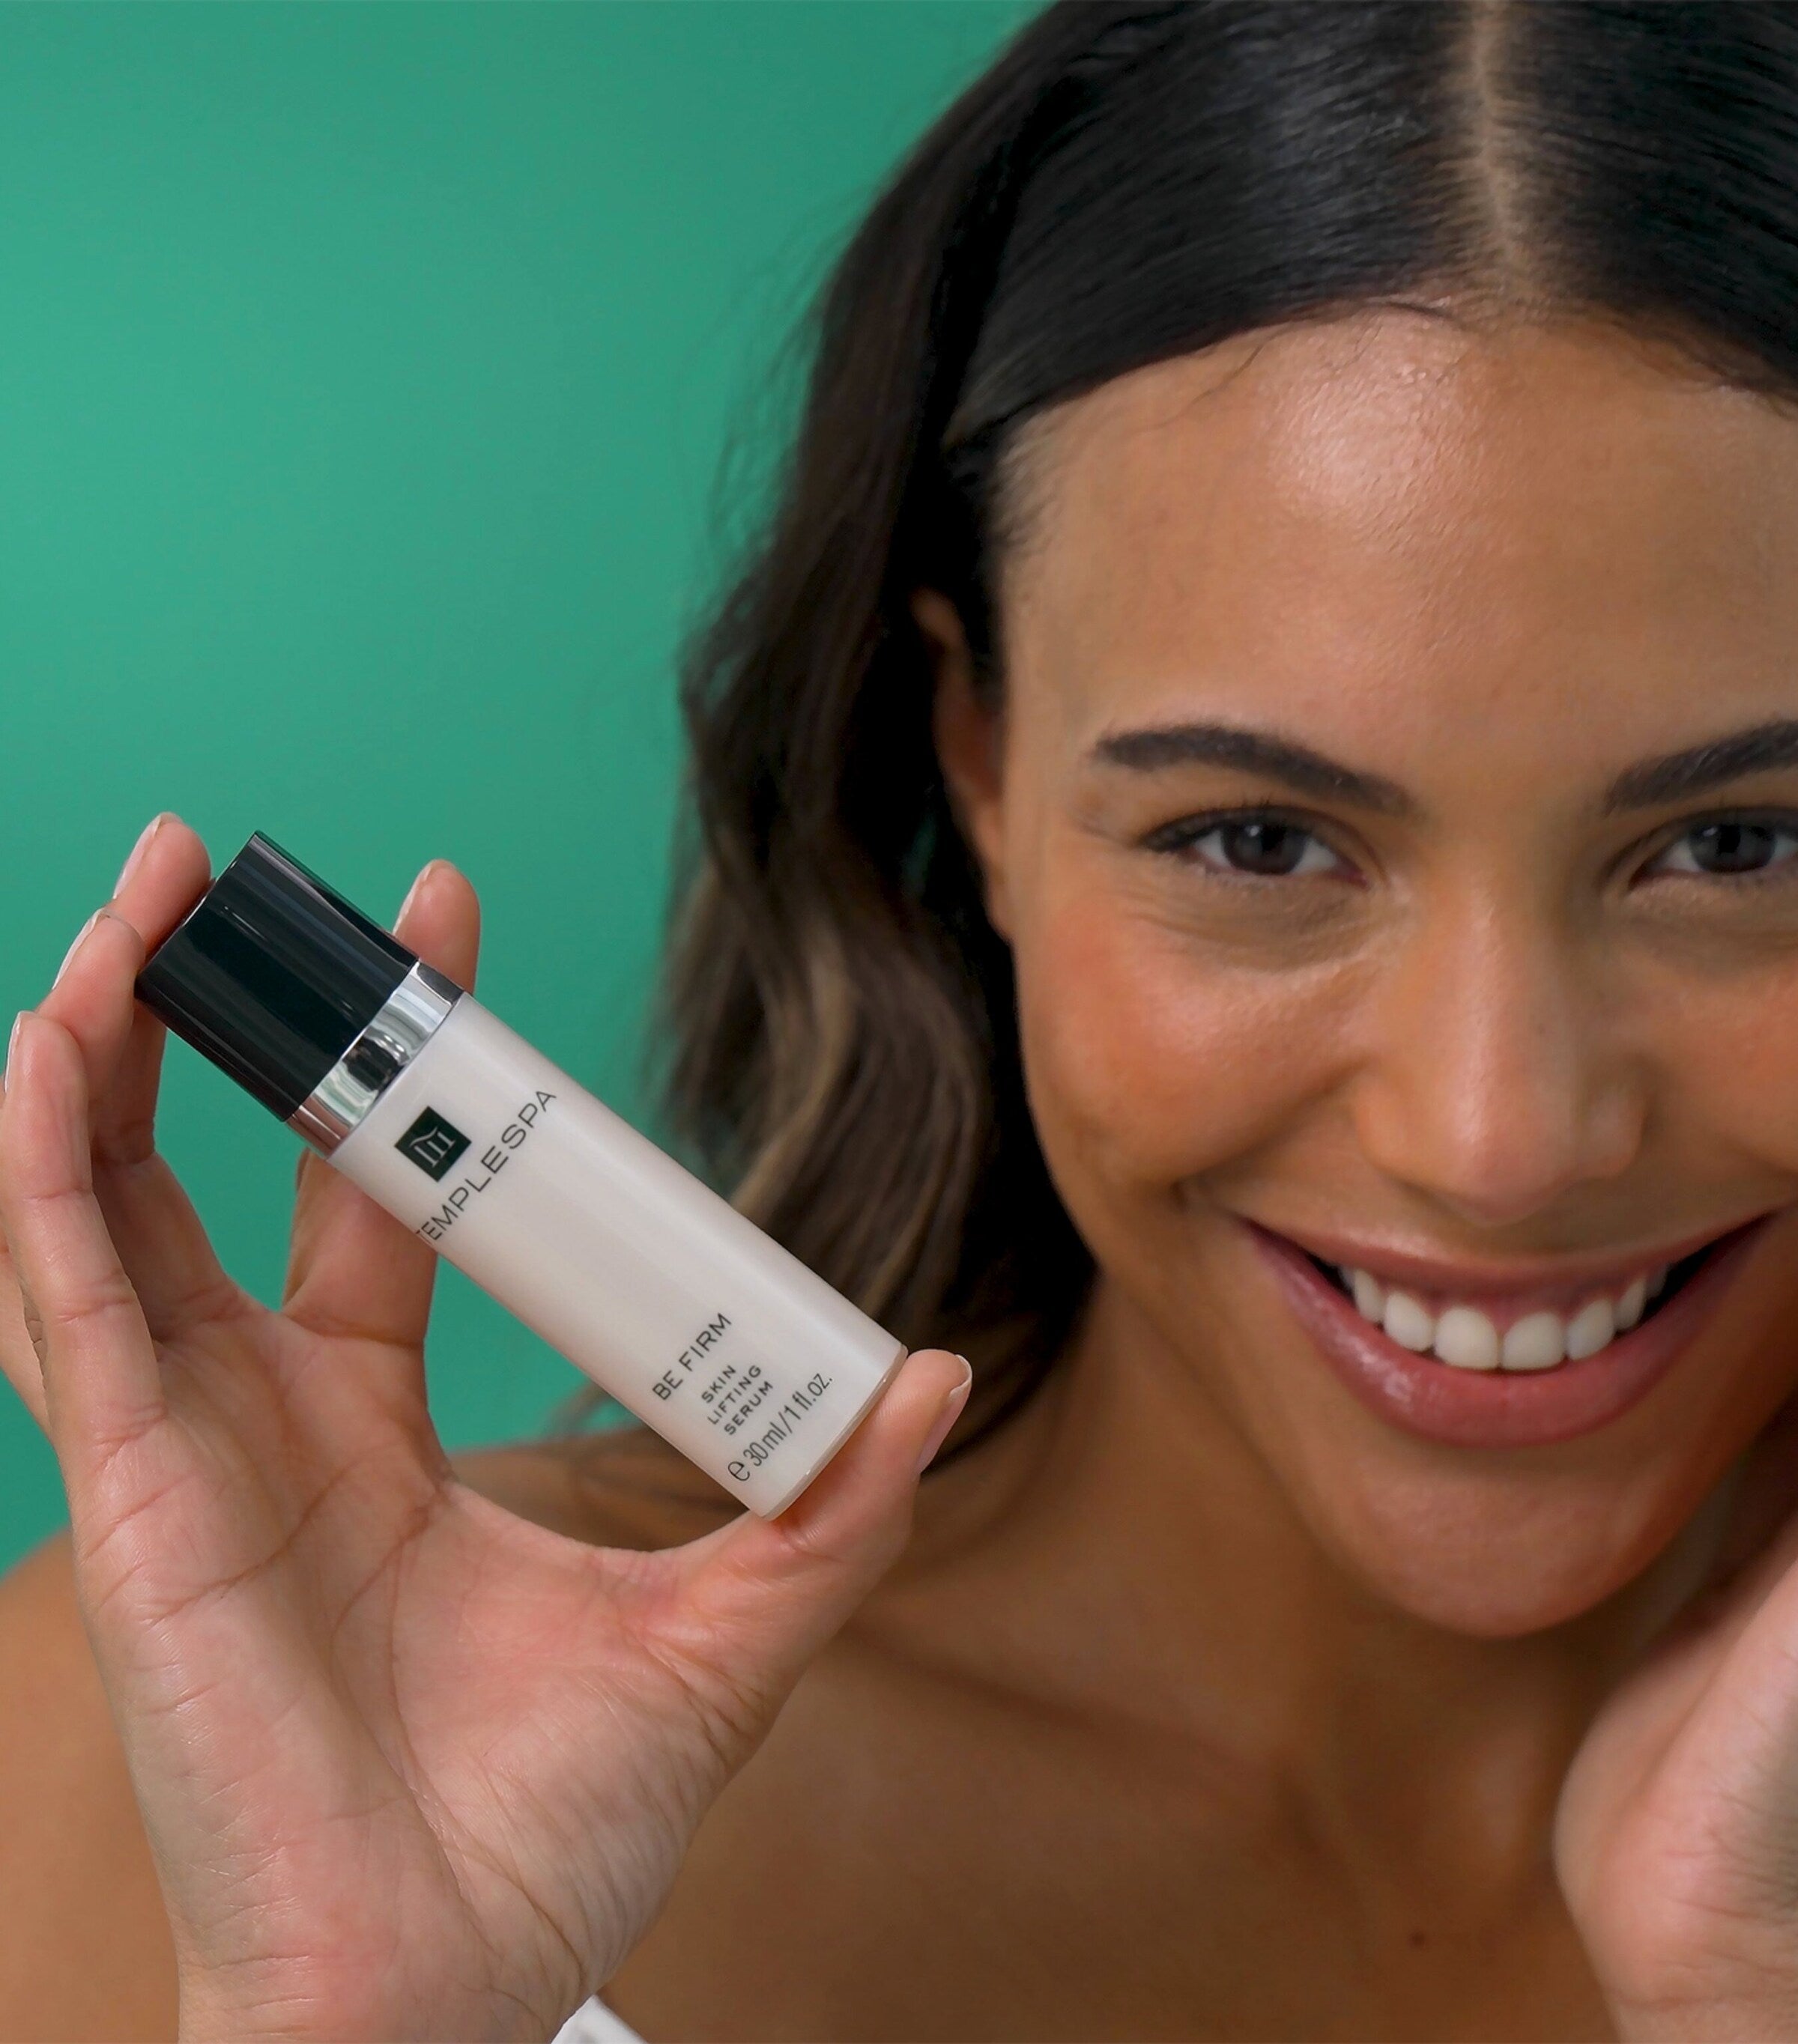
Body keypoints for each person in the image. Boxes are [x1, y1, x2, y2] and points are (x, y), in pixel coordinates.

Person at [13, 1, 1798, 2037]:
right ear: (981, 764)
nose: (1497, 1138)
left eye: (1740, 844)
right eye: (1260, 841)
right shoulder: (225, 1780)